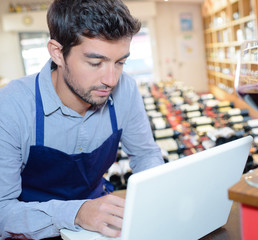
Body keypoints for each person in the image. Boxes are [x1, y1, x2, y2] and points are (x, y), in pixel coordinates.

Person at [0, 0, 164, 239]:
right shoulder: (11, 106)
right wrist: (76, 213)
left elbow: (146, 154)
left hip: (98, 219)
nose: (111, 79)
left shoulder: (126, 89)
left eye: (120, 62)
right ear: (58, 53)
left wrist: (154, 195)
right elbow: (3, 212)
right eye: (95, 62)